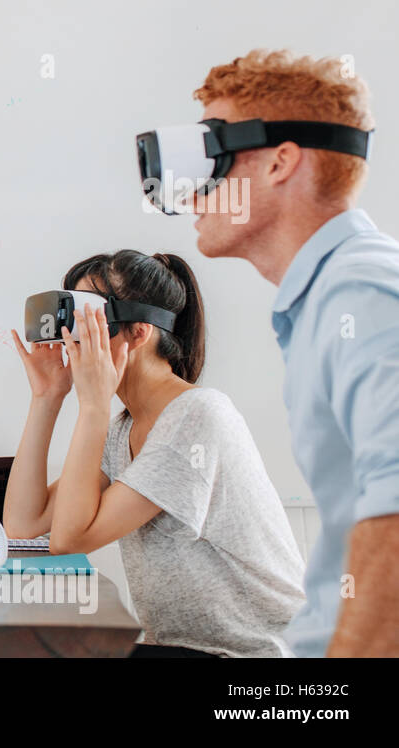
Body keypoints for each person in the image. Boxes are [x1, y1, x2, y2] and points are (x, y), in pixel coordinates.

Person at [185, 50, 399, 656]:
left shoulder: (363, 295)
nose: (188, 190)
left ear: (281, 162)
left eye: (211, 158)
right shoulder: (323, 301)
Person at [3, 250, 305, 657]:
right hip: (181, 648)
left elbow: (70, 541)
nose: (73, 338)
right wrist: (46, 396)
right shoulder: (123, 429)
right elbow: (25, 524)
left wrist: (93, 405)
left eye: (89, 321)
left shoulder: (197, 417)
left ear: (139, 332)